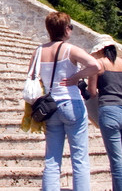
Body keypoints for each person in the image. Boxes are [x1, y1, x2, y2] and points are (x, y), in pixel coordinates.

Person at [26, 11, 99, 191]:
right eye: (70, 27)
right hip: (71, 101)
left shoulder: (39, 51)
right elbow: (96, 66)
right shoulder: (70, 49)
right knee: (79, 157)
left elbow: (32, 76)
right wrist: (77, 77)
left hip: (49, 107)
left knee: (52, 158)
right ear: (66, 29)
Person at [87, 34, 122, 191]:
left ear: (100, 50)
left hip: (109, 112)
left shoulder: (98, 65)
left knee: (117, 162)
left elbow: (91, 92)